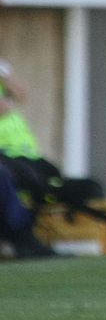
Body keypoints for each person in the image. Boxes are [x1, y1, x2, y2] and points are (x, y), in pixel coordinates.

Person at [0, 61, 59, 259]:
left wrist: (7, 77)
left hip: (26, 155)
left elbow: (20, 95)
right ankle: (23, 237)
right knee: (13, 178)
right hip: (7, 154)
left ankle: (33, 234)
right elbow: (3, 108)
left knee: (50, 178)